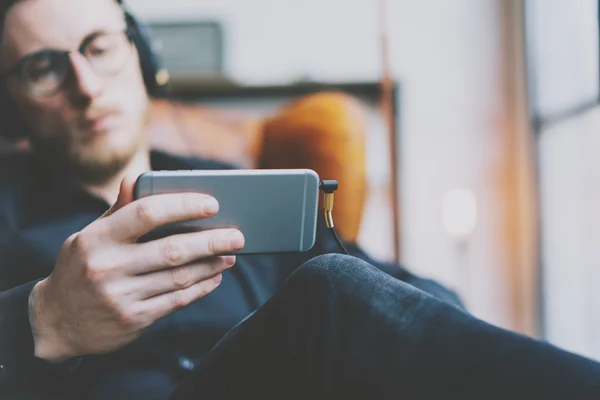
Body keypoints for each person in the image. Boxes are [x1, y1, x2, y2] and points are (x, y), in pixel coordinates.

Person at [0, 0, 598, 399]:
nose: (85, 84)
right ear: (12, 102)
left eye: (99, 46)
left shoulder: (246, 191)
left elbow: (412, 300)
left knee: (338, 287)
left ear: (140, 56)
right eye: (44, 67)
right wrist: (44, 318)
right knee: (331, 294)